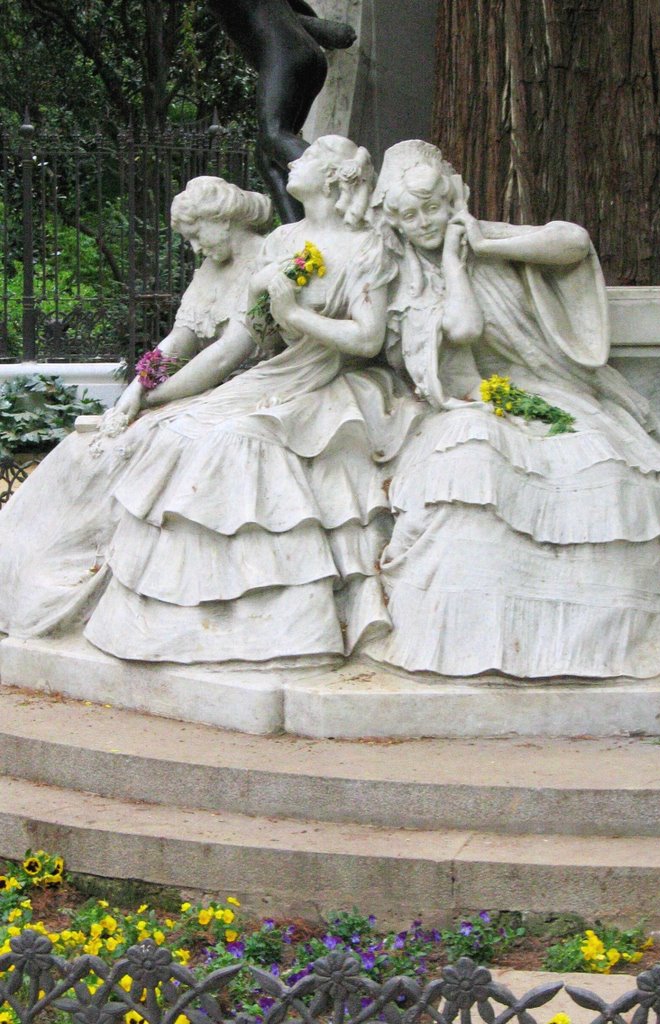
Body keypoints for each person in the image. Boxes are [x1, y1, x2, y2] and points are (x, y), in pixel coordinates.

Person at [366, 140, 660, 679]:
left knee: (606, 466)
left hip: (557, 394)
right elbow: (463, 353)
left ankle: (616, 631)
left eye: (432, 208)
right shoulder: (407, 282)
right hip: (485, 400)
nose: (423, 223)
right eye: (409, 216)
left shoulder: (489, 238)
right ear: (394, 222)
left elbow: (572, 242)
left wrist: (482, 245)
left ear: (453, 197)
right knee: (482, 469)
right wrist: (457, 270)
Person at [77, 136, 422, 663]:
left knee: (237, 439)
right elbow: (235, 346)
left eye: (306, 158)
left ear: (331, 179)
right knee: (174, 432)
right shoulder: (283, 240)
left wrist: (297, 313)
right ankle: (179, 613)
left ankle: (280, 621)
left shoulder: (369, 245)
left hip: (332, 382)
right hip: (278, 375)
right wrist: (151, 397)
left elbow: (368, 341)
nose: (293, 161)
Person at [0, 176, 273, 638]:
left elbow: (228, 353)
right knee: (85, 449)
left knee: (148, 445)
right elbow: (177, 343)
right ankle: (21, 564)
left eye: (195, 235)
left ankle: (106, 567)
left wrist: (158, 397)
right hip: (196, 390)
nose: (192, 248)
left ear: (222, 221)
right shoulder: (210, 269)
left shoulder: (270, 260)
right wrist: (132, 394)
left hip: (245, 390)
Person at [207, 0, 357, 222]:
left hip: (283, 55)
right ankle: (299, 231)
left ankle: (346, 186)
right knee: (267, 157)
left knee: (273, 135)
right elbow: (299, 7)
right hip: (310, 57)